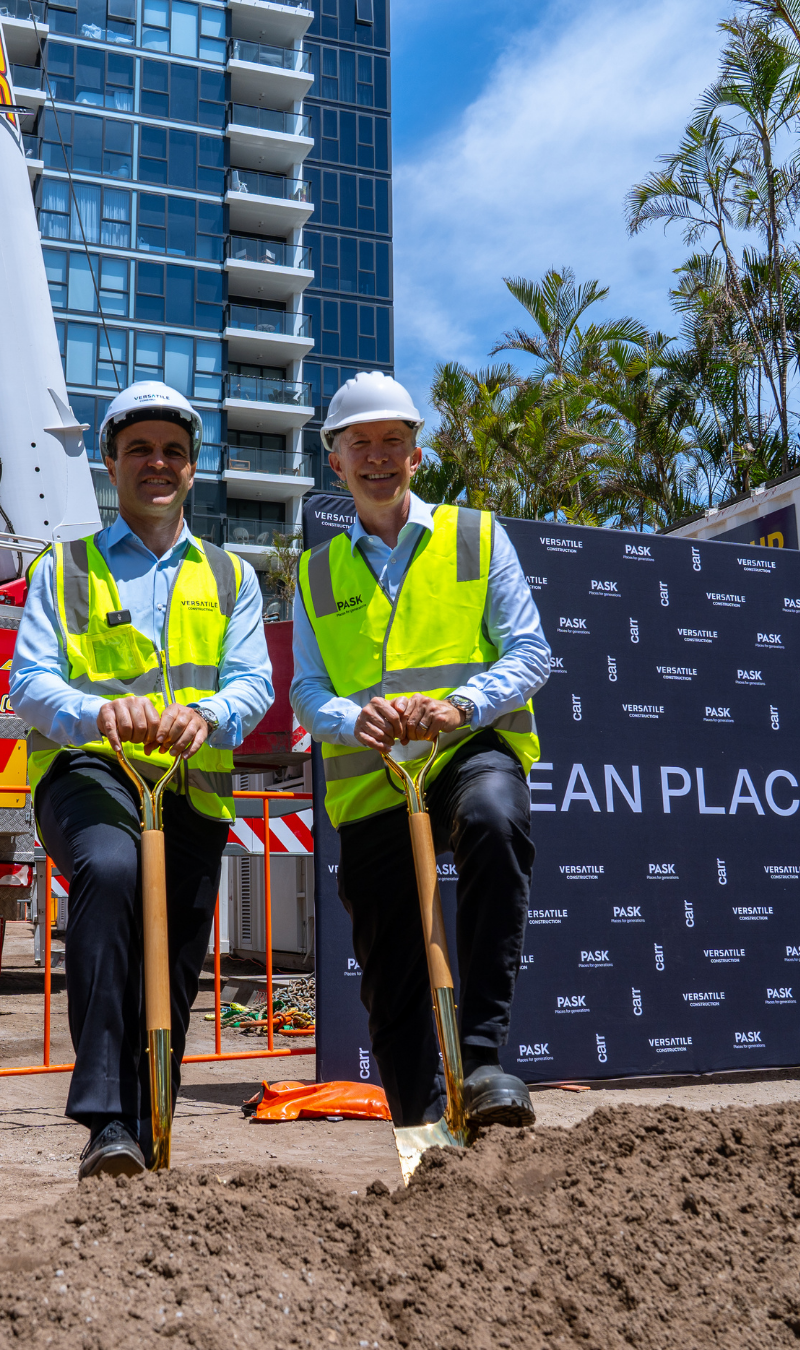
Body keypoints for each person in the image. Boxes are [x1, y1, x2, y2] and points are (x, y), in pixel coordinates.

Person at [10, 381, 273, 1178]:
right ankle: (106, 1119)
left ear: (193, 470)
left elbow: (253, 683)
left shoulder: (233, 579)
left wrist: (209, 716)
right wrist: (100, 716)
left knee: (174, 963)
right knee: (114, 868)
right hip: (89, 773)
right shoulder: (65, 569)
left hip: (190, 788)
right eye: (138, 451)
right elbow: (29, 683)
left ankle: (149, 1123)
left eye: (171, 451)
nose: (156, 464)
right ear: (112, 467)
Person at [291, 371, 551, 1128]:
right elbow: (308, 689)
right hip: (373, 780)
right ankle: (418, 1122)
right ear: (334, 461)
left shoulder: (475, 536)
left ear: (416, 455)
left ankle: (483, 1062)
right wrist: (350, 720)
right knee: (391, 963)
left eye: (393, 443)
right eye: (360, 444)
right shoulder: (313, 574)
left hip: (465, 749)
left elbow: (529, 652)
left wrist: (460, 704)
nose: (378, 457)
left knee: (496, 821)